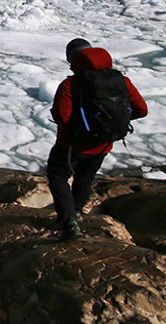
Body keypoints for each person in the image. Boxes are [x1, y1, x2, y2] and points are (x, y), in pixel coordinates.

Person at [47, 38, 147, 240]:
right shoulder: (122, 81)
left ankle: (69, 223)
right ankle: (77, 211)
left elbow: (62, 116)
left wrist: (81, 127)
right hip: (103, 144)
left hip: (71, 145)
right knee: (85, 177)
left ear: (72, 58)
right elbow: (141, 110)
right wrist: (108, 124)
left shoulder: (70, 84)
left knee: (58, 178)